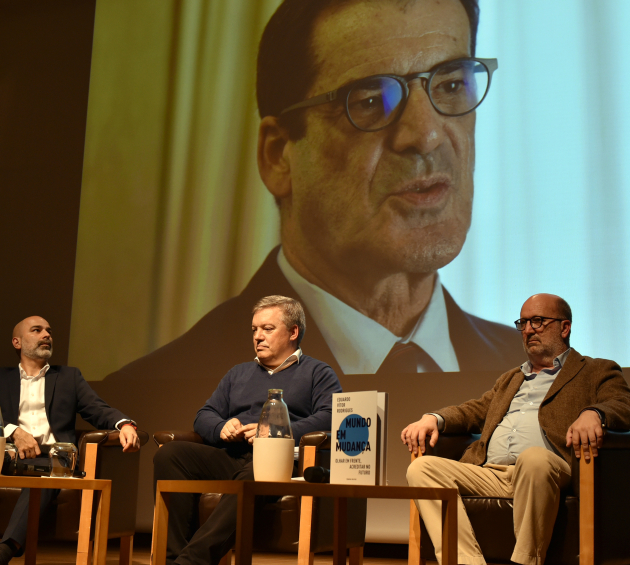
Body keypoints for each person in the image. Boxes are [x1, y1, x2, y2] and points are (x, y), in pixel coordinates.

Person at [103, 0, 522, 385]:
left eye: (450, 86)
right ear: (278, 156)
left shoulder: (555, 391)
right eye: (371, 100)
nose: (427, 135)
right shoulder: (147, 404)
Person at [401, 294, 630, 565]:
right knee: (421, 468)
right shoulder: (511, 378)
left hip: (548, 470)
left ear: (564, 328)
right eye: (523, 323)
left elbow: (625, 406)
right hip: (491, 472)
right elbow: (475, 410)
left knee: (534, 458)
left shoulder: (596, 370)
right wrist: (434, 418)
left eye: (538, 321)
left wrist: (594, 413)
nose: (528, 330)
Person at [154, 296, 342, 565]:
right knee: (170, 455)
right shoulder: (238, 373)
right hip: (234, 455)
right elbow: (204, 415)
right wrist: (221, 427)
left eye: (267, 329)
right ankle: (172, 563)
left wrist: (276, 431)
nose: (258, 337)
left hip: (280, 461)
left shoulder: (318, 372)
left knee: (255, 473)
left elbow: (330, 417)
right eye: (254, 330)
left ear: (293, 332)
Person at [0, 316, 141, 565]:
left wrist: (125, 424)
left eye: (49, 331)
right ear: (17, 342)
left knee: (47, 475)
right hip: (6, 454)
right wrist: (14, 431)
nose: (47, 335)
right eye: (37, 330)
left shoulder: (68, 377)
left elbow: (98, 410)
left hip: (51, 459)